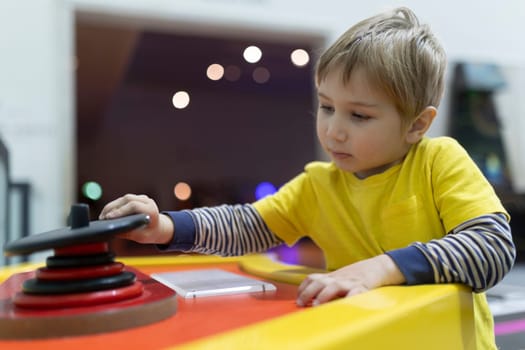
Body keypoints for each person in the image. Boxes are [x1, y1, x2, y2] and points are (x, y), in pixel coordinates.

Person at [99, 7, 515, 349]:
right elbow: (250, 225)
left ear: (417, 125)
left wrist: (384, 267)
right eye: (327, 106)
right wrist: (167, 227)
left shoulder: (437, 160)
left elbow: (492, 247)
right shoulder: (319, 183)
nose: (333, 129)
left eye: (359, 115)